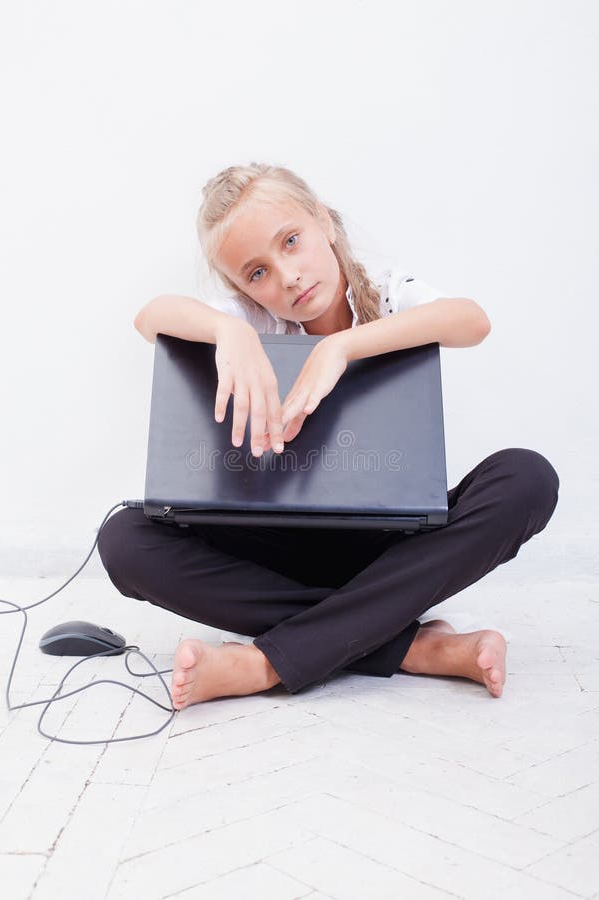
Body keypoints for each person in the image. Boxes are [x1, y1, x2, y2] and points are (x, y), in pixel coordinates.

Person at [97, 162, 560, 711]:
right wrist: (229, 331)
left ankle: (266, 663)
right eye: (257, 273)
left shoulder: (389, 297)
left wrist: (340, 347)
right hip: (280, 543)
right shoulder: (256, 320)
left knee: (527, 477)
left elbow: (471, 321)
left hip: (391, 547)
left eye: (291, 242)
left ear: (324, 222)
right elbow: (151, 317)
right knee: (124, 538)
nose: (287, 276)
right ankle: (412, 648)